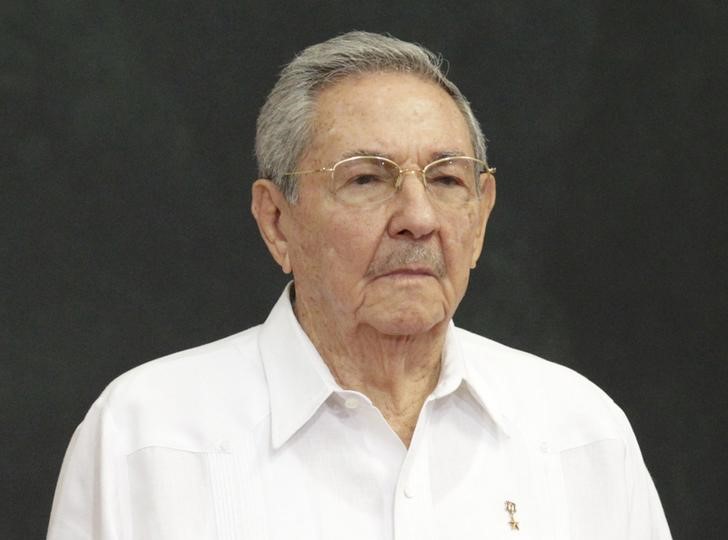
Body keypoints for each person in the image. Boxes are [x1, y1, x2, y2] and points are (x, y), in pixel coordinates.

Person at [47, 31, 672, 539]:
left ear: (481, 217)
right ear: (277, 221)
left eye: (447, 180)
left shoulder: (579, 434)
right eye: (367, 179)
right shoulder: (144, 438)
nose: (418, 218)